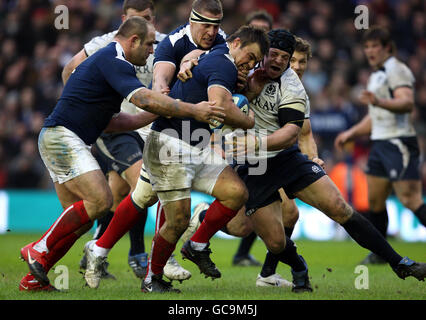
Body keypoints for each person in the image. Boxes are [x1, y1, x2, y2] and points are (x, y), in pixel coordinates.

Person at [187, 29, 426, 292]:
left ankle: (398, 262)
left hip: (285, 158)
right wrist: (190, 58)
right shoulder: (241, 68)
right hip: (252, 167)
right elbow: (212, 57)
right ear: (263, 53)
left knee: (339, 208)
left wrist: (275, 146)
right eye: (274, 54)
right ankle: (297, 267)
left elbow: (292, 133)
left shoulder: (293, 87)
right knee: (273, 241)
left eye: (286, 58)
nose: (279, 61)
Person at [18, 16, 225, 291]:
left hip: (61, 137)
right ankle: (39, 248)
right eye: (149, 45)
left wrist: (153, 111)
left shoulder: (110, 63)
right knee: (101, 199)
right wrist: (191, 109)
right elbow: (142, 97)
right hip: (63, 137)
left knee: (80, 222)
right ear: (133, 40)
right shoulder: (114, 59)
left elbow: (116, 122)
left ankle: (34, 278)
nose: (152, 51)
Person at [81, 0, 229, 290]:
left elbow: (218, 57)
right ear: (192, 21)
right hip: (161, 132)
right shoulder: (170, 43)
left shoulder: (219, 41)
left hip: (187, 134)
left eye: (216, 25)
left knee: (141, 197)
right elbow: (161, 79)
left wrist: (197, 55)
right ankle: (162, 262)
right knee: (164, 200)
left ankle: (99, 248)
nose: (212, 32)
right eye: (206, 25)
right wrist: (165, 86)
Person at [63, 0, 190, 282]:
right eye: (138, 18)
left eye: (149, 18)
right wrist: (82, 111)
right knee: (148, 184)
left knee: (121, 196)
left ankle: (96, 247)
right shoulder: (105, 45)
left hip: (148, 128)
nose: (146, 24)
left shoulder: (162, 44)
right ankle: (146, 255)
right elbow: (69, 70)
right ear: (125, 20)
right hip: (118, 127)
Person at [142, 25, 268, 293]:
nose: (250, 64)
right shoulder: (224, 64)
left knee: (235, 192)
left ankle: (196, 245)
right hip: (170, 143)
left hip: (195, 144)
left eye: (256, 62)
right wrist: (248, 120)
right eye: (250, 55)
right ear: (235, 44)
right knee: (176, 221)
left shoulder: (218, 56)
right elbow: (219, 107)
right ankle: (152, 278)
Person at [335, 26, 426, 264]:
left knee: (409, 199)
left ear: (387, 48)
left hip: (398, 143)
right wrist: (351, 133)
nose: (370, 51)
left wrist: (378, 100)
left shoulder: (397, 70)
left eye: (375, 46)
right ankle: (380, 254)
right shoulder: (376, 76)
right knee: (375, 200)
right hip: (380, 144)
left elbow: (406, 103)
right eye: (367, 46)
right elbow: (374, 116)